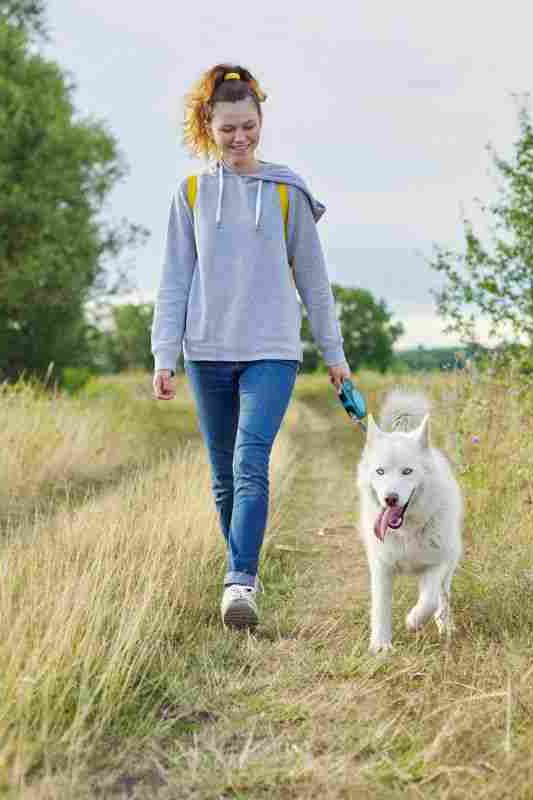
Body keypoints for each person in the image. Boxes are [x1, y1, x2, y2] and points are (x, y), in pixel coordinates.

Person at [149, 63, 351, 630]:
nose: (240, 139)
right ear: (208, 127)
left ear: (261, 120)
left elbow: (314, 283)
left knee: (249, 461)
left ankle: (239, 581)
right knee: (221, 475)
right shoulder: (190, 193)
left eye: (248, 127)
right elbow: (174, 280)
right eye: (227, 129)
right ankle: (244, 572)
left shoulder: (288, 193)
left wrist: (334, 357)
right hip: (207, 351)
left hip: (272, 350)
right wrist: (165, 354)